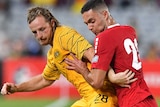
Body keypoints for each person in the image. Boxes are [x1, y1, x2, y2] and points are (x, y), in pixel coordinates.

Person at [0, 6, 136, 107]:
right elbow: (44, 79)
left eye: (42, 29)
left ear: (52, 23)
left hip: (104, 94)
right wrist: (16, 88)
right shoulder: (53, 53)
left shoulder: (64, 35)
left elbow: (94, 54)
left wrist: (112, 76)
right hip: (88, 98)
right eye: (35, 32)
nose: (39, 36)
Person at [65, 0, 158, 107]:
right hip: (147, 99)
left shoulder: (103, 37)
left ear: (105, 14)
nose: (89, 27)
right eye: (87, 24)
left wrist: (83, 69)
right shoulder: (130, 30)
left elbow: (96, 81)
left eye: (92, 21)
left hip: (132, 101)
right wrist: (112, 76)